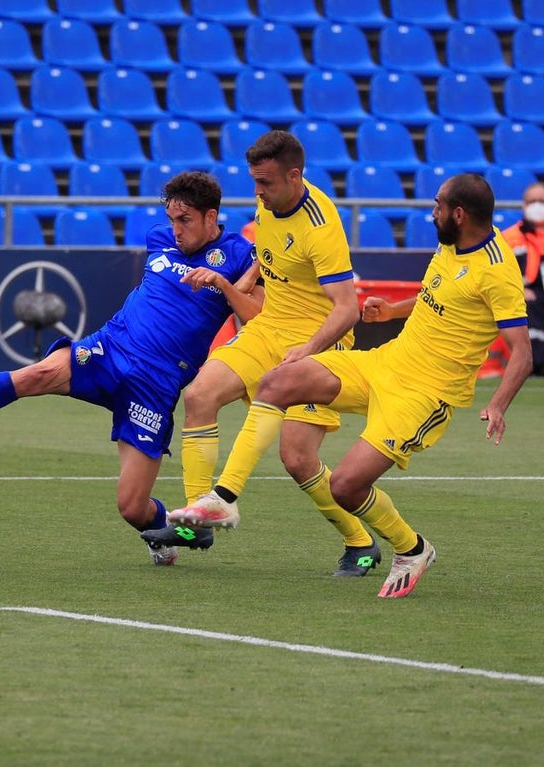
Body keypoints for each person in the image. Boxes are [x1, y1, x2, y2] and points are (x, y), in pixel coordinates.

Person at [0, 171, 262, 566]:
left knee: (131, 506)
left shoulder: (239, 256)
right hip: (109, 349)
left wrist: (226, 287)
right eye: (173, 219)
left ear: (212, 217)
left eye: (185, 220)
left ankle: (185, 531)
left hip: (155, 385)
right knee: (35, 374)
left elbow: (259, 315)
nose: (174, 229)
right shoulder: (159, 239)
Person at [177, 173, 531, 598]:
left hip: (424, 394)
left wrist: (498, 404)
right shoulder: (453, 242)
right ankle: (224, 497)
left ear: (458, 214)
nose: (431, 211)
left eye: (437, 205)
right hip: (386, 362)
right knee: (278, 381)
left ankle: (411, 548)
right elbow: (439, 295)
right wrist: (393, 312)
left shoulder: (496, 270)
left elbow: (522, 353)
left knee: (346, 486)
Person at [160, 130, 379, 578]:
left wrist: (309, 350)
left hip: (320, 340)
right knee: (199, 395)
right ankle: (199, 520)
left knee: (297, 458)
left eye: (266, 182)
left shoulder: (320, 226)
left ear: (294, 176)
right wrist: (241, 284)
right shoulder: (268, 201)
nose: (257, 192)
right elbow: (268, 249)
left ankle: (360, 542)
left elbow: (347, 309)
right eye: (254, 181)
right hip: (269, 328)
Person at [500, 182, 544, 375]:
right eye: (532, 201)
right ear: (523, 206)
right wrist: (519, 290)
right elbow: (500, 273)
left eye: (542, 201)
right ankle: (540, 364)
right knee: (525, 305)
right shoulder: (509, 236)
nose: (537, 205)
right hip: (533, 290)